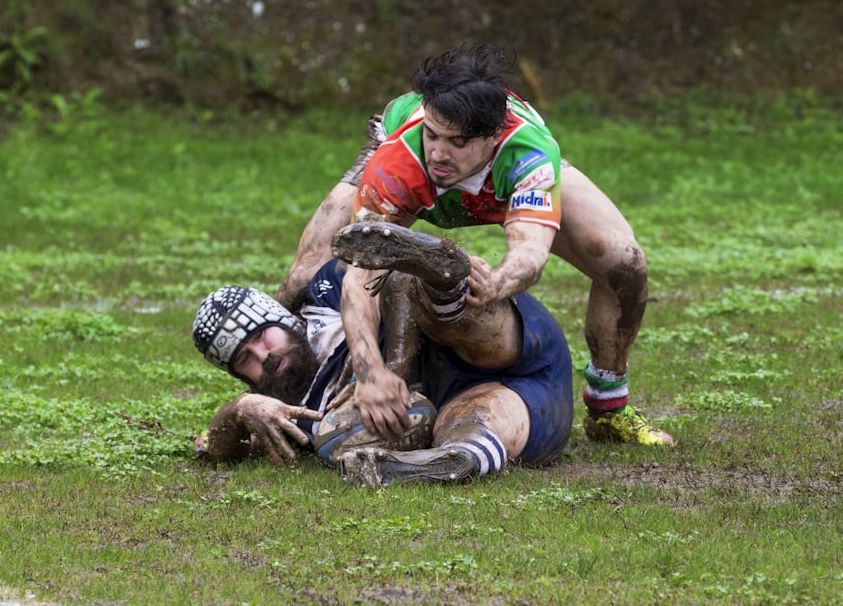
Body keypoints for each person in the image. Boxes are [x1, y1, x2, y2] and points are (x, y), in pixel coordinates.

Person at [275, 42, 673, 447]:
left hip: (498, 184)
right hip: (399, 169)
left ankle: (609, 409)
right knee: (305, 274)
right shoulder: (401, 160)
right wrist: (371, 372)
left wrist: (498, 282)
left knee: (625, 262)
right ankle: (272, 403)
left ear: (493, 136)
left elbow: (531, 252)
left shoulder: (528, 153)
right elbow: (362, 272)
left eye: (458, 142)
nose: (439, 153)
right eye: (433, 135)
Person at [192, 224, 573, 486]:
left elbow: (367, 255)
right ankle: (448, 462)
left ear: (284, 316)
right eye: (245, 359)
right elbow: (216, 448)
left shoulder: (324, 296)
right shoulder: (290, 417)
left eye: (261, 335)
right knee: (470, 421)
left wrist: (391, 369)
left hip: (505, 335)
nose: (263, 354)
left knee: (407, 286)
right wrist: (240, 409)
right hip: (530, 400)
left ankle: (443, 282)